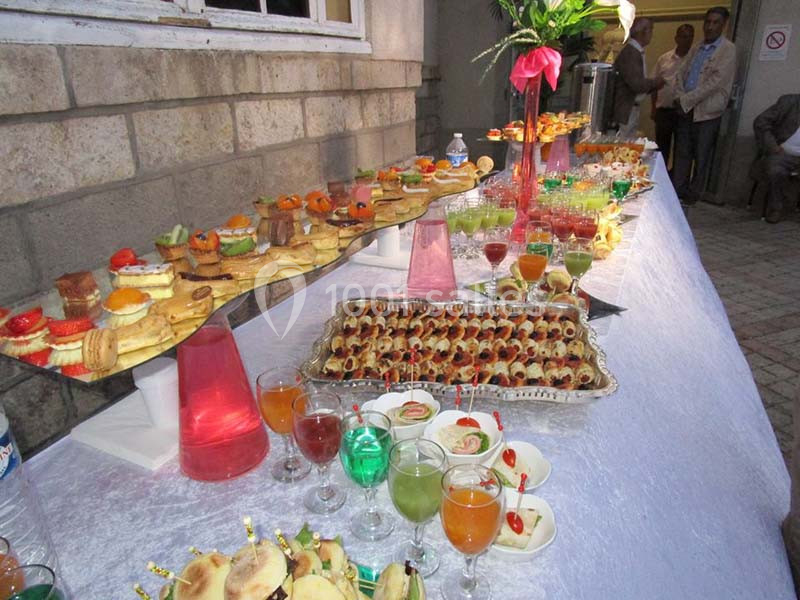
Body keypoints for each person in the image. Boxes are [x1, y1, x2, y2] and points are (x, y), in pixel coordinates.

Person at [671, 7, 737, 204]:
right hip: (685, 109)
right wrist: (680, 96)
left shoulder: (727, 50)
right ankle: (677, 191)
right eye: (708, 22)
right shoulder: (697, 47)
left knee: (702, 154)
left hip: (706, 111)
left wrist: (687, 99)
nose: (710, 27)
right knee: (682, 152)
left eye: (715, 23)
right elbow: (681, 73)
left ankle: (694, 194)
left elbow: (714, 83)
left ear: (723, 25)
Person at [650, 24, 695, 168]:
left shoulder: (694, 60)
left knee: (682, 149)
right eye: (683, 36)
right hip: (664, 110)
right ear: (677, 38)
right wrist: (653, 108)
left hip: (683, 111)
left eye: (690, 37)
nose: (686, 40)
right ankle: (660, 174)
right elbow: (654, 84)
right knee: (661, 148)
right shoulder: (664, 59)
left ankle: (676, 177)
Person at [612, 17, 665, 138]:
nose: (651, 35)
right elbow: (636, 84)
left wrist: (654, 86)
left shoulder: (635, 51)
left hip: (631, 107)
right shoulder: (631, 53)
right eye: (651, 30)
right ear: (643, 32)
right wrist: (655, 82)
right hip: (625, 109)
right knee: (623, 143)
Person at [753, 94, 800, 223]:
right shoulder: (789, 102)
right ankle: (776, 208)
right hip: (782, 152)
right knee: (776, 170)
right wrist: (773, 146)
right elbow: (761, 122)